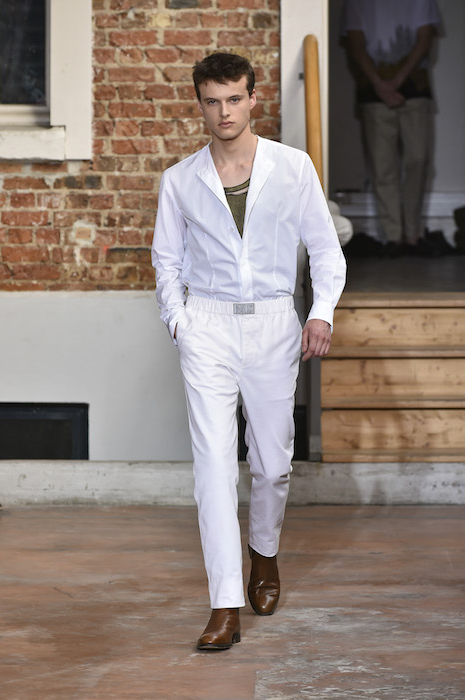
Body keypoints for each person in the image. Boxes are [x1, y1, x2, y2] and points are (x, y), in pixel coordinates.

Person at [151, 52, 346, 651]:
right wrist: (179, 320)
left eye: (234, 99)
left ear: (253, 98)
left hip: (272, 323)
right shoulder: (180, 179)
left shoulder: (293, 167)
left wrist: (320, 311)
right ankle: (224, 604)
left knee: (271, 464)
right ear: (200, 104)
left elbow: (325, 248)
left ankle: (265, 553)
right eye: (212, 101)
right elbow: (166, 259)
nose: (224, 112)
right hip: (207, 326)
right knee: (213, 468)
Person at [341, 0, 441, 257]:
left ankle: (413, 235)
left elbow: (425, 39)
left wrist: (395, 81)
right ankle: (393, 237)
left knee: (418, 160)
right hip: (372, 93)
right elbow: (355, 44)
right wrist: (379, 84)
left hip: (415, 89)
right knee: (382, 166)